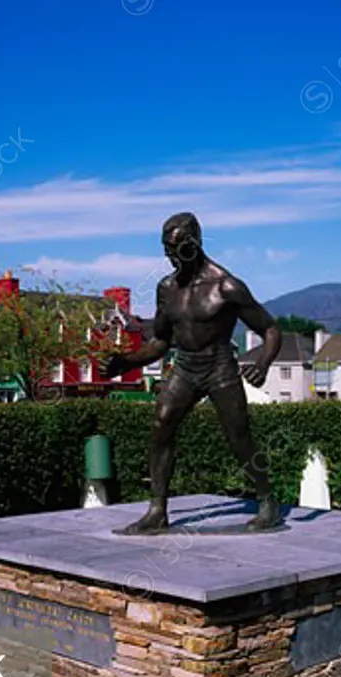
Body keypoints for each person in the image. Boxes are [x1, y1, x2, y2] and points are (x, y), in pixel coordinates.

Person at [100, 212, 283, 533]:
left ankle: (268, 500)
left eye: (176, 249)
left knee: (239, 438)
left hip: (220, 367)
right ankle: (157, 510)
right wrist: (126, 362)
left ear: (194, 244)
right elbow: (159, 342)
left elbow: (269, 329)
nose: (170, 257)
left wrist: (263, 364)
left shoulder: (227, 286)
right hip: (185, 367)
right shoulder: (166, 289)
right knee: (161, 425)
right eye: (166, 250)